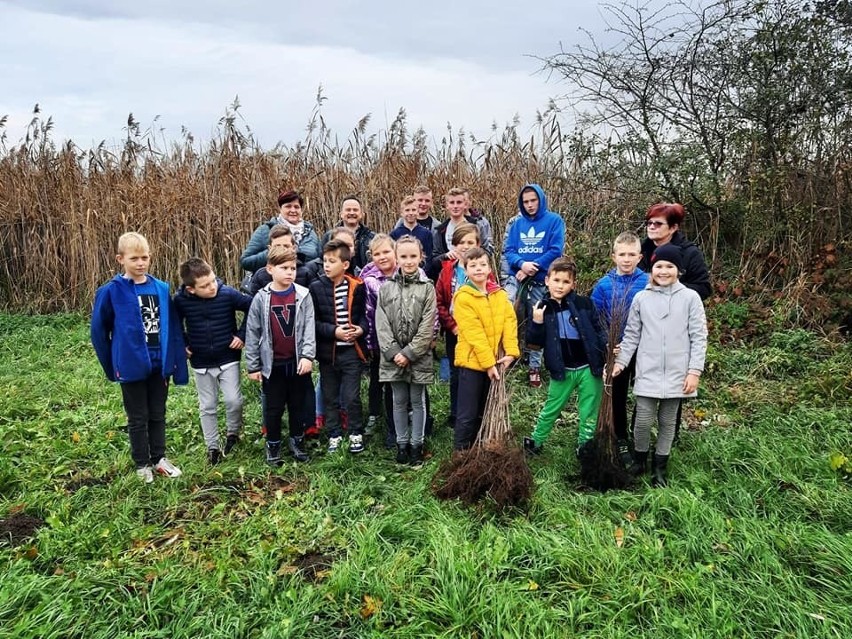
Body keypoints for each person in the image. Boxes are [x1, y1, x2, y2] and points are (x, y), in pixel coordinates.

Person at [91, 232, 188, 483]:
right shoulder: (111, 292)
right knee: (137, 417)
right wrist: (113, 365)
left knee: (158, 413)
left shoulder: (160, 288)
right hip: (131, 366)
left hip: (160, 364)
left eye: (144, 257)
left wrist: (174, 360)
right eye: (134, 258)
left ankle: (159, 459)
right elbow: (99, 332)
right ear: (120, 259)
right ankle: (141, 464)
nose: (140, 263)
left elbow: (173, 327)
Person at [613, 243, 708, 486]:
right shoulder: (642, 298)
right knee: (642, 420)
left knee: (668, 422)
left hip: (678, 373)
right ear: (651, 269)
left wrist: (694, 371)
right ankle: (640, 459)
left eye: (669, 266)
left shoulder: (690, 298)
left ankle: (660, 467)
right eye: (658, 266)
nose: (663, 271)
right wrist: (621, 362)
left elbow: (699, 336)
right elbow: (632, 335)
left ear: (679, 270)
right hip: (648, 372)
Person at [523, 258, 608, 457]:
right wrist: (536, 323)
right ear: (547, 281)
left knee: (589, 410)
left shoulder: (584, 304)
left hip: (589, 367)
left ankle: (585, 446)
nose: (560, 286)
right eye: (557, 280)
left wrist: (605, 352)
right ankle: (536, 442)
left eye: (566, 282)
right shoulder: (541, 308)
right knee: (552, 407)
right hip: (562, 370)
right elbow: (533, 344)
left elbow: (598, 330)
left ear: (573, 284)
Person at [174, 257, 253, 464]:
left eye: (212, 281)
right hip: (200, 362)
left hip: (228, 357)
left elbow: (252, 306)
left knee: (233, 401)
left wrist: (242, 335)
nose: (212, 287)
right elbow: (174, 322)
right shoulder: (180, 300)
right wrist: (182, 344)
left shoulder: (226, 293)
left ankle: (233, 433)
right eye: (205, 285)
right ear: (191, 289)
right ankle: (212, 448)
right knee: (207, 405)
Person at [245, 246, 316, 465]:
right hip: (272, 364)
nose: (289, 272)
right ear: (270, 269)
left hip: (296, 363)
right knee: (273, 407)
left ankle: (297, 439)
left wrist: (307, 356)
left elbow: (308, 328)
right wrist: (253, 365)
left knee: (297, 404)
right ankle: (273, 443)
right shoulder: (261, 298)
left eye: (293, 268)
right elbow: (253, 331)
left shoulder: (303, 295)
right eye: (283, 268)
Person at [590, 231, 649, 470]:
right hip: (617, 350)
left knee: (645, 394)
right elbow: (595, 319)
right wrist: (608, 342)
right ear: (613, 256)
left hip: (645, 349)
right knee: (618, 395)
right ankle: (621, 438)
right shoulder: (603, 286)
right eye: (622, 254)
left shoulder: (648, 282)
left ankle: (640, 437)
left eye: (632, 254)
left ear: (640, 257)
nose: (627, 259)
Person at [375, 236, 437, 466]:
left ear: (421, 257)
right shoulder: (386, 288)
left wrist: (410, 352)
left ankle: (416, 444)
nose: (408, 261)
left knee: (417, 400)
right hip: (393, 357)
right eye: (404, 256)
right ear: (396, 258)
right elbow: (381, 323)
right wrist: (393, 352)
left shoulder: (427, 288)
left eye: (413, 256)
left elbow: (427, 325)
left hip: (418, 357)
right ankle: (401, 444)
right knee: (398, 400)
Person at [451, 247, 519, 450]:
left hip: (497, 363)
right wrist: (489, 364)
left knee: (485, 407)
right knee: (467, 412)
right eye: (473, 265)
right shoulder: (463, 297)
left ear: (490, 268)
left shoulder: (499, 294)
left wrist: (510, 353)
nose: (478, 269)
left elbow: (510, 322)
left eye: (482, 264)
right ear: (466, 269)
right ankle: (461, 451)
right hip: (473, 363)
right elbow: (474, 334)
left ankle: (482, 447)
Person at [501, 183, 566, 387]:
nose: (529, 205)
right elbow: (509, 250)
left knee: (537, 322)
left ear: (540, 200)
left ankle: (534, 367)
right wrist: (521, 264)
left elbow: (555, 250)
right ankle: (509, 357)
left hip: (540, 281)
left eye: (533, 200)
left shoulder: (554, 221)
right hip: (518, 279)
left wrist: (533, 268)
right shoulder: (517, 224)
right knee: (511, 317)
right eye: (526, 201)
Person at [309, 239, 369, 454]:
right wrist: (334, 332)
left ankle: (355, 432)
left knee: (352, 396)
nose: (326, 265)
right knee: (330, 396)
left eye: (332, 261)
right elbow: (313, 322)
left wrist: (361, 330)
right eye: (325, 261)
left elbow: (363, 316)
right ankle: (334, 433)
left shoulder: (357, 286)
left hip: (352, 351)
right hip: (328, 353)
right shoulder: (315, 288)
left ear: (345, 264)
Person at [435, 222, 493, 429]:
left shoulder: (484, 271)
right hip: (455, 330)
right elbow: (440, 302)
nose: (465, 246)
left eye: (470, 242)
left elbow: (491, 300)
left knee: (476, 372)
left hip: (478, 332)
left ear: (478, 244)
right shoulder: (447, 271)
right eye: (461, 242)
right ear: (454, 245)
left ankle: (477, 413)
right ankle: (456, 413)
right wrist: (452, 326)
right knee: (456, 371)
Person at [361, 234, 399, 447]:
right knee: (381, 380)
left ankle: (412, 420)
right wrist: (369, 343)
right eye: (377, 254)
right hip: (379, 340)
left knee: (404, 383)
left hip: (405, 339)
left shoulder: (405, 273)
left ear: (394, 252)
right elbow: (368, 313)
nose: (382, 257)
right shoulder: (369, 280)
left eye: (386, 252)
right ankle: (383, 420)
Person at [639, 203, 711, 300]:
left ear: (673, 228)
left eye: (658, 224)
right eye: (649, 223)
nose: (651, 227)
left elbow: (703, 289)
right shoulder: (641, 251)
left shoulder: (690, 253)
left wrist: (669, 287)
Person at [240, 189, 321, 274]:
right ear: (280, 209)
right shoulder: (265, 230)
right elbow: (245, 262)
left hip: (306, 284)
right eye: (288, 206)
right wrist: (273, 252)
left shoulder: (310, 233)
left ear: (301, 210)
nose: (293, 210)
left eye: (296, 207)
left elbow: (320, 260)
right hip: (272, 283)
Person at [429, 187, 494, 277]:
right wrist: (446, 256)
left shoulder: (477, 225)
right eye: (452, 203)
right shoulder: (440, 230)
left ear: (465, 205)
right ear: (447, 206)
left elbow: (487, 252)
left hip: (476, 274)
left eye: (459, 202)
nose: (455, 206)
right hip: (450, 277)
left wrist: (472, 254)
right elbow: (434, 260)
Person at [320, 195, 375, 271]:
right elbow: (321, 261)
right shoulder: (329, 236)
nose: (352, 213)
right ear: (341, 214)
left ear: (362, 214)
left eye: (355, 210)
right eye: (348, 210)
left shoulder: (372, 238)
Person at [248, 225, 309, 294]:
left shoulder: (306, 273)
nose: (282, 250)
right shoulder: (261, 275)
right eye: (277, 246)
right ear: (269, 249)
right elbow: (255, 302)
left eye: (286, 246)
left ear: (294, 248)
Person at [390, 196, 434, 263]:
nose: (410, 213)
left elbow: (429, 258)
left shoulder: (426, 234)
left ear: (418, 212)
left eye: (413, 210)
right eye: (407, 210)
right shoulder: (394, 234)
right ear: (402, 213)